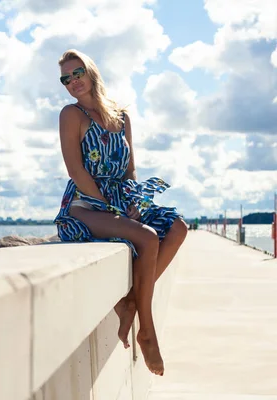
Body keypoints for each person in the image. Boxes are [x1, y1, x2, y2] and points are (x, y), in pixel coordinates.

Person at [53, 49, 188, 376]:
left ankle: (130, 301)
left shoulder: (121, 117)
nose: (73, 82)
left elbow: (129, 171)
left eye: (78, 73)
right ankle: (147, 330)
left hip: (120, 198)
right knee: (147, 237)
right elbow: (76, 170)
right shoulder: (71, 115)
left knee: (178, 228)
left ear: (91, 72)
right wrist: (109, 205)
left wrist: (135, 204)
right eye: (66, 78)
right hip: (85, 204)